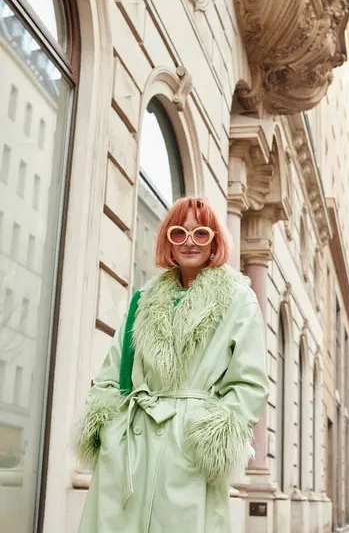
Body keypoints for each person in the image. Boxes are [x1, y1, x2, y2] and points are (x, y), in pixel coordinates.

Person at [76, 196, 269, 533]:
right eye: (179, 233)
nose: (190, 242)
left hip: (188, 453)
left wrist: (206, 436)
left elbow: (249, 384)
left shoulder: (239, 299)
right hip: (129, 453)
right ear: (168, 240)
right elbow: (111, 374)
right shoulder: (143, 300)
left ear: (214, 242)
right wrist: (110, 433)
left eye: (201, 233)